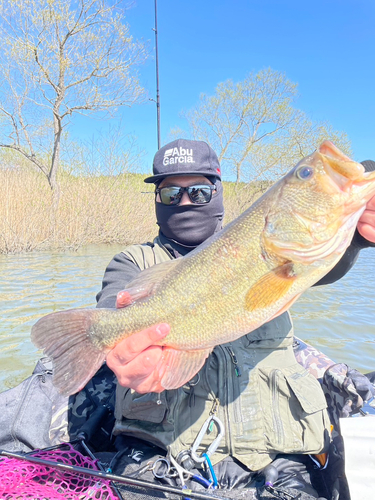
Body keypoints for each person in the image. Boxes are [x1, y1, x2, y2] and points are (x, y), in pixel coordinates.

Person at [96, 139, 375, 499]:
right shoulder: (133, 262)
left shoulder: (269, 244)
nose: (183, 202)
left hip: (275, 455)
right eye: (169, 193)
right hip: (162, 454)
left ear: (217, 192)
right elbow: (111, 309)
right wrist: (120, 352)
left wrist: (354, 232)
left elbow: (318, 264)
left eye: (197, 192)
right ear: (156, 201)